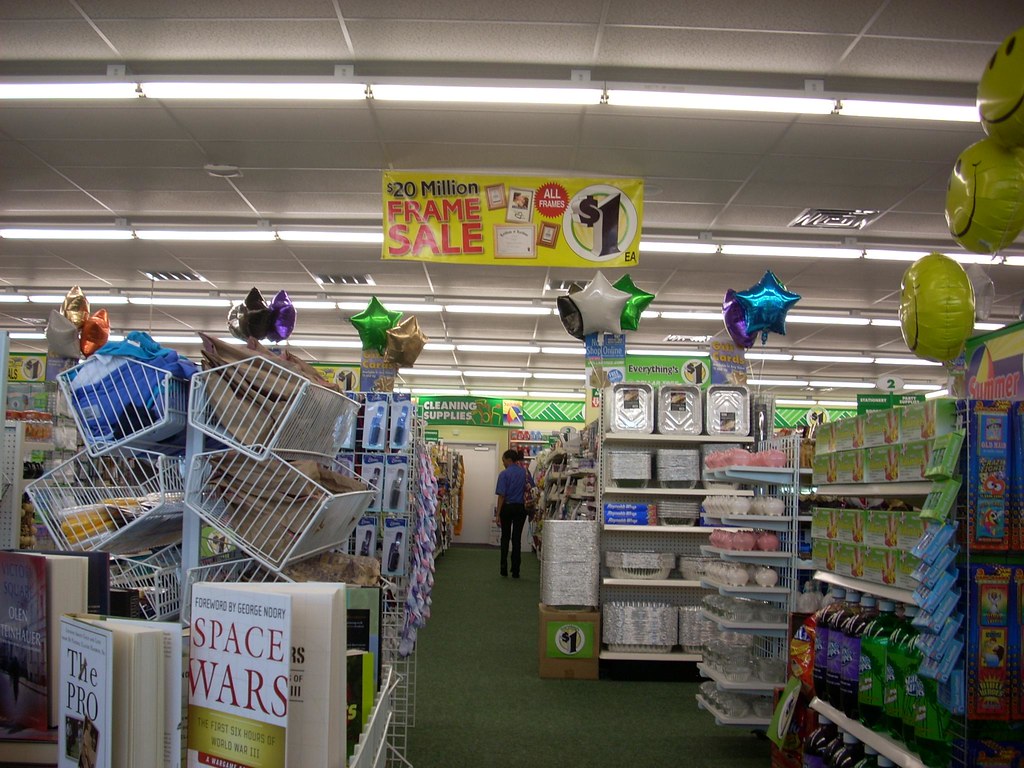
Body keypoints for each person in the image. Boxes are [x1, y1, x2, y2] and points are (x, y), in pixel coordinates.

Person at [494, 449, 535, 578]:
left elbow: (501, 495)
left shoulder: (504, 474)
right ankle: (516, 570)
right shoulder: (525, 472)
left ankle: (503, 567)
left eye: (503, 461)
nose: (503, 463)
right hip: (521, 508)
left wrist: (497, 514)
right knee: (516, 538)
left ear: (509, 460)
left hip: (507, 507)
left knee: (505, 537)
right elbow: (532, 488)